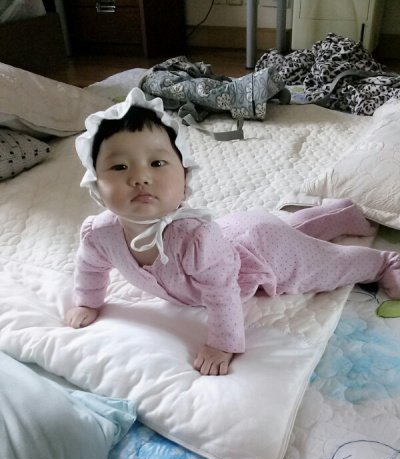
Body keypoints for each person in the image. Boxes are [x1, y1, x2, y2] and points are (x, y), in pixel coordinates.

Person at [66, 88, 400, 376]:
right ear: (95, 184)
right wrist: (87, 302)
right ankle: (339, 215)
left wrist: (223, 344)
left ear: (185, 177)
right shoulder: (100, 234)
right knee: (290, 231)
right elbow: (90, 268)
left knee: (323, 262)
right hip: (241, 232)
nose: (140, 177)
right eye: (120, 166)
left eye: (157, 163)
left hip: (263, 251)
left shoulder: (193, 239)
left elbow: (222, 294)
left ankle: (384, 262)